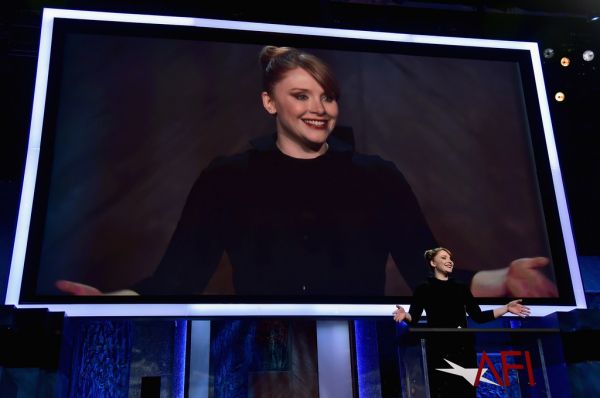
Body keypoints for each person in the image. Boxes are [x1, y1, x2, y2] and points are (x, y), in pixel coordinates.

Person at [55, 46, 558, 298]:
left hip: (366, 357)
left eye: (327, 96)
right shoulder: (228, 178)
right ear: (269, 102)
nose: (319, 108)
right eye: (301, 95)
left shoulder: (377, 177)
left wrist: (505, 280)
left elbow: (429, 275)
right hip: (258, 358)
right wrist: (109, 302)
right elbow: (175, 280)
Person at [392, 247, 530, 397]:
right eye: (444, 258)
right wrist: (405, 315)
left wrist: (506, 308)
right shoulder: (423, 289)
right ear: (433, 262)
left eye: (450, 258)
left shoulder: (461, 288)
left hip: (463, 349)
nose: (449, 261)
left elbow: (478, 316)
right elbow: (415, 318)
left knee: (466, 392)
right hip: (439, 350)